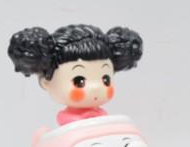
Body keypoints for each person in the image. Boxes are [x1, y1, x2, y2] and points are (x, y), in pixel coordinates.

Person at [8, 24, 143, 125]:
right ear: (46, 83)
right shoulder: (70, 122)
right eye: (79, 81)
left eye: (105, 79)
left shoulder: (103, 117)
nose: (96, 87)